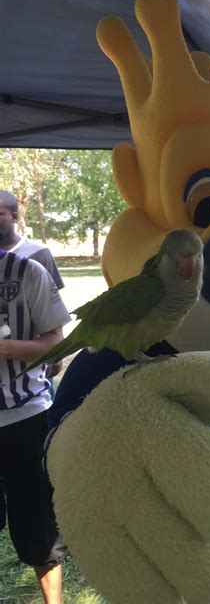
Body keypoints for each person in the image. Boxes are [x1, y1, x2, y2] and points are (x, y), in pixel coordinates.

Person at [0, 249, 71, 604]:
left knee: (39, 526)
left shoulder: (27, 273)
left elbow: (56, 343)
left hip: (24, 415)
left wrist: (7, 348)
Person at [0, 191, 65, 386]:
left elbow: (54, 309)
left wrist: (56, 356)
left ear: (14, 216)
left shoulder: (37, 255)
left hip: (33, 365)